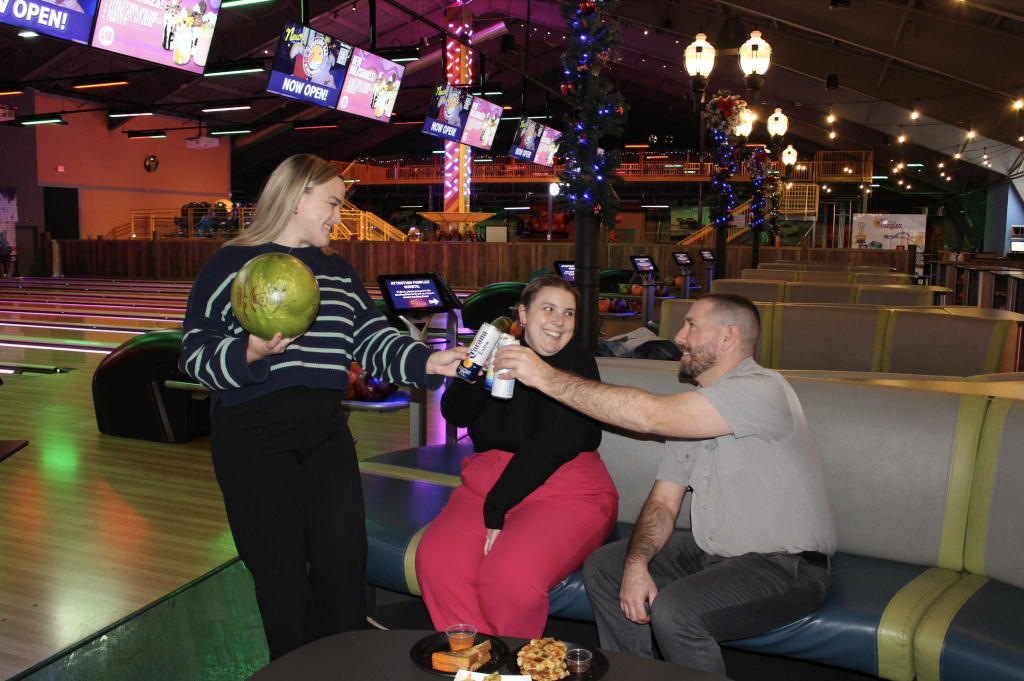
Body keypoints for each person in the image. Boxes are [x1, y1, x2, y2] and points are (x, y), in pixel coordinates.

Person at [178, 154, 466, 661]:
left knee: (342, 563)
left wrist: (429, 362)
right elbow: (195, 354)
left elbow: (372, 338)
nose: (339, 215)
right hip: (252, 436)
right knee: (281, 575)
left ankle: (347, 667)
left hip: (325, 432)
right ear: (295, 197)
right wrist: (247, 352)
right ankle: (297, 671)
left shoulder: (337, 270)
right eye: (332, 203)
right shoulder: (230, 265)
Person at [495, 293, 835, 676]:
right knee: (608, 567)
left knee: (675, 610)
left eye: (691, 324)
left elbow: (647, 415)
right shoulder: (696, 412)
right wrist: (637, 565)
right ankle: (635, 673)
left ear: (728, 337)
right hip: (713, 555)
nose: (679, 336)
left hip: (785, 567)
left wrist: (543, 375)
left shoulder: (763, 389)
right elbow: (663, 503)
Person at [416, 275, 619, 638]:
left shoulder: (576, 364)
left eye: (569, 313)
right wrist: (475, 371)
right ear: (523, 314)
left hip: (566, 491)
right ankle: (476, 665)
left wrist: (496, 508)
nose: (559, 320)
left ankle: (516, 667)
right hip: (487, 483)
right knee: (437, 563)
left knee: (509, 580)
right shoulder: (500, 353)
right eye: (549, 308)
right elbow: (456, 414)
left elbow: (551, 446)